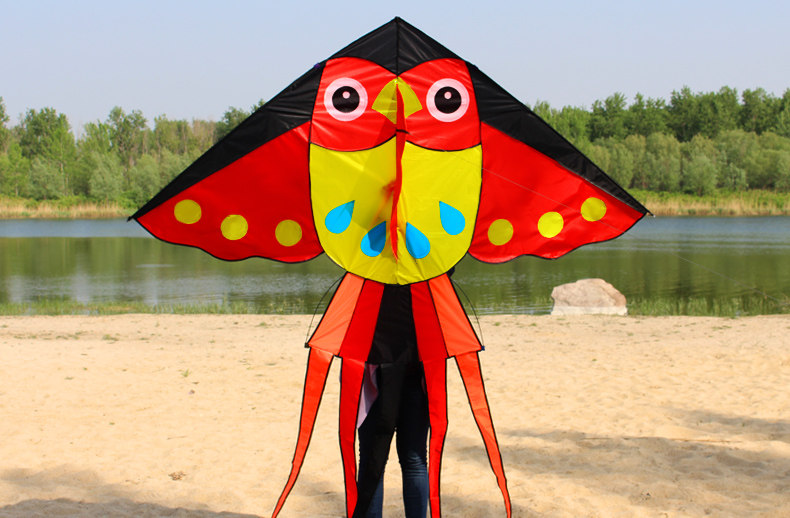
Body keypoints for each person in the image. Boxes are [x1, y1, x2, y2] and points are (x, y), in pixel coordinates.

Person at [355, 282, 430, 518]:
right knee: (415, 460)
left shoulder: (365, 266)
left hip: (376, 367)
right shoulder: (430, 268)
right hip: (416, 366)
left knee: (373, 461)